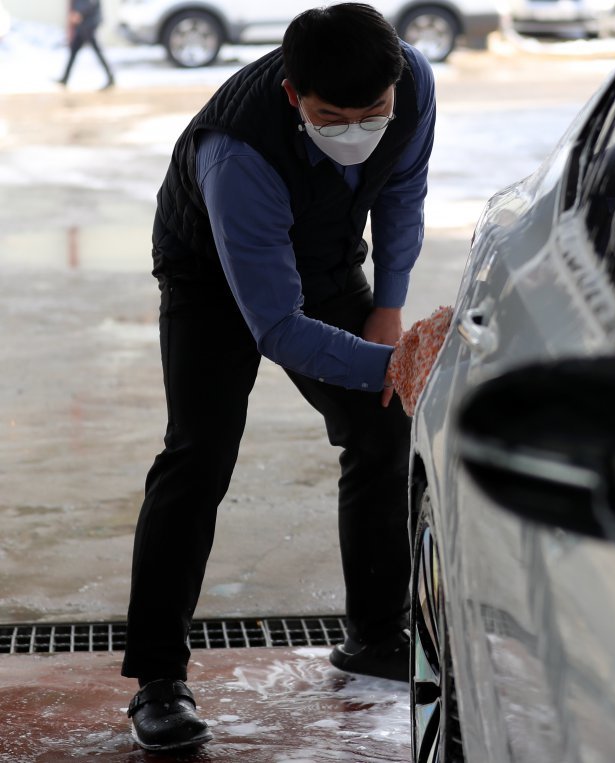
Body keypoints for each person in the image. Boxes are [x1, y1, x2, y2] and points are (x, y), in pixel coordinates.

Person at [120, 3, 436, 753]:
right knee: (198, 458)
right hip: (210, 276)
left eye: (375, 113)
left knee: (383, 426)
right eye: (334, 116)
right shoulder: (239, 155)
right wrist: (397, 360)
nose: (358, 129)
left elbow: (401, 193)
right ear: (295, 95)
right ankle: (158, 681)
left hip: (324, 251)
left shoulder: (412, 83)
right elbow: (278, 327)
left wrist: (389, 307)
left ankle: (372, 635)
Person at [59, 0, 115, 89]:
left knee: (97, 52)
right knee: (74, 51)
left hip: (88, 25)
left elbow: (90, 3)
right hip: (83, 26)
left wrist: (79, 13)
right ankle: (65, 78)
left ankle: (111, 77)